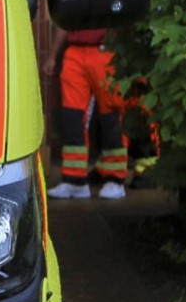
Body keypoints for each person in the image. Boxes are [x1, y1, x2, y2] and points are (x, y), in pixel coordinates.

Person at [50, 28, 128, 199]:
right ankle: (74, 180)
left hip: (106, 50)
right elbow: (64, 21)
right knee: (72, 117)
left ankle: (114, 179)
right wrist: (52, 55)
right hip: (74, 51)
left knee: (111, 116)